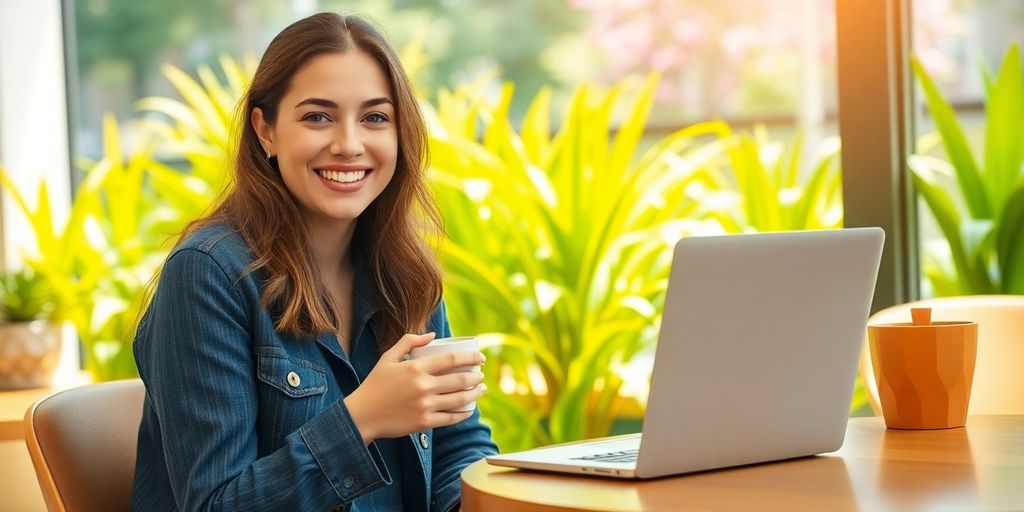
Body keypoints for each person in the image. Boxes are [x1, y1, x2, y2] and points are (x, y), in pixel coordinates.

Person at [131, 12, 497, 511]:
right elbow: (214, 505)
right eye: (318, 116)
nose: (349, 144)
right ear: (266, 131)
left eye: (375, 117)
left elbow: (458, 447)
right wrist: (363, 418)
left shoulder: (404, 270)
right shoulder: (208, 273)